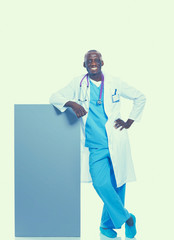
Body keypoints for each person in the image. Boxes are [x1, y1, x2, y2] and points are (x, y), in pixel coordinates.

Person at [49, 50, 146, 238]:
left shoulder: (115, 82)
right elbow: (54, 97)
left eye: (96, 60)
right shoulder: (78, 83)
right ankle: (128, 218)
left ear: (102, 62)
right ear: (84, 65)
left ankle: (105, 226)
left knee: (117, 185)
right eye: (89, 61)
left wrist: (130, 121)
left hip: (116, 142)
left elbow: (140, 97)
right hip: (96, 147)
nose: (93, 63)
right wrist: (72, 103)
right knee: (101, 184)